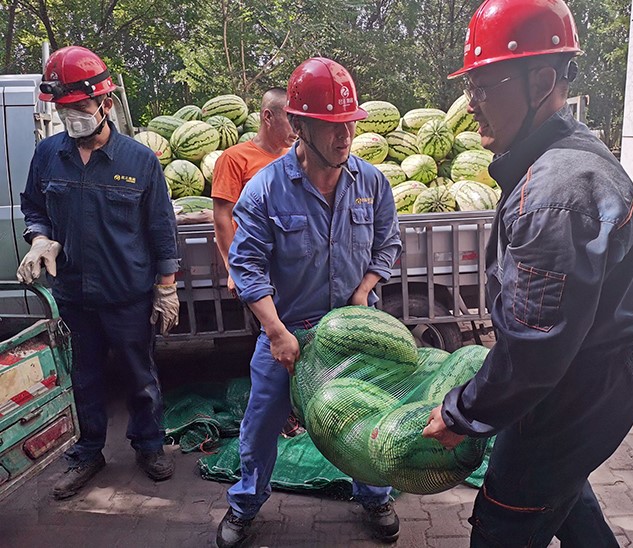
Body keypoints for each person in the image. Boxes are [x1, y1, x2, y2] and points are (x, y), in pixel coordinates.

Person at [422, 1, 633, 546]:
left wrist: (460, 414)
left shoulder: (554, 194)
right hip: (586, 387)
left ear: (542, 80)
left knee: (508, 513)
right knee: (562, 496)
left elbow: (533, 348)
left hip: (570, 396)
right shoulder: (566, 156)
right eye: (469, 87)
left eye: (484, 85)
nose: (470, 103)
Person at [216, 57, 402, 547]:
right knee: (261, 422)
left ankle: (375, 495)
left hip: (355, 329)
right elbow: (247, 265)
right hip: (288, 330)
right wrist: (275, 332)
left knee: (368, 418)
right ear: (298, 125)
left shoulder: (373, 183)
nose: (344, 137)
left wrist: (364, 290)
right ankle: (245, 505)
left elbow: (388, 244)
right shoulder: (264, 190)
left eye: (349, 125)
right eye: (330, 126)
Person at [17, 45, 180, 500]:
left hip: (127, 294)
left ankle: (149, 446)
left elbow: (161, 230)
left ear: (105, 103)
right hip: (74, 294)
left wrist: (166, 289)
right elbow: (34, 205)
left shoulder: (139, 161)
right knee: (84, 378)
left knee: (140, 377)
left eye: (81, 107)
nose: (73, 117)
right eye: (65, 109)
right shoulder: (49, 155)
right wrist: (40, 238)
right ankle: (88, 452)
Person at [212, 87, 297, 294]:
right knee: (265, 325)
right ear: (268, 116)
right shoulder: (233, 158)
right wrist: (233, 268)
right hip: (256, 267)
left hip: (294, 269)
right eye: (290, 119)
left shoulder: (297, 157)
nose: (297, 127)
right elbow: (223, 216)